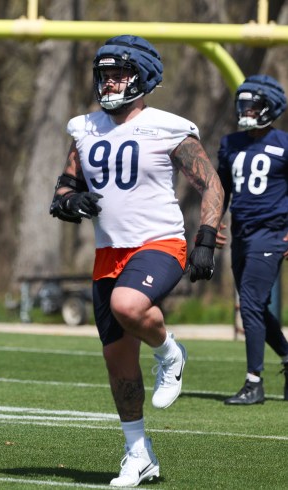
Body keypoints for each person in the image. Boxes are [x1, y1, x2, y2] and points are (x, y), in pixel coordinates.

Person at [49, 35, 223, 487]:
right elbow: (64, 186)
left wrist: (205, 237)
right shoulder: (83, 128)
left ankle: (170, 352)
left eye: (119, 74)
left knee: (129, 306)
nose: (109, 82)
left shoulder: (168, 126)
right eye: (104, 74)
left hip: (160, 242)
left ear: (143, 77)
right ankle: (138, 453)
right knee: (118, 362)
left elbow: (212, 185)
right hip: (108, 252)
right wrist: (68, 202)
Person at [217, 74, 288, 405]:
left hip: (272, 232)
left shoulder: (284, 144)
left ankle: (254, 382)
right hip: (241, 234)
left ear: (270, 107)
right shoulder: (230, 144)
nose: (246, 109)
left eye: (254, 104)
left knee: (249, 303)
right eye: (243, 103)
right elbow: (221, 190)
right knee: (255, 305)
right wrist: (212, 223)